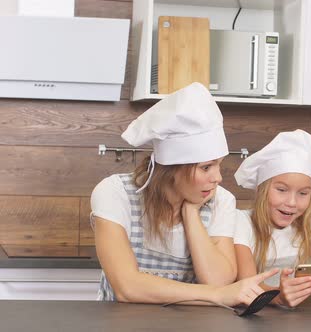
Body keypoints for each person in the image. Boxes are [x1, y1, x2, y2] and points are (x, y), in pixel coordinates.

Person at [90, 82, 277, 306]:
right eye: (206, 167)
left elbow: (218, 280)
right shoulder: (115, 193)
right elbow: (127, 287)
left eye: (219, 165)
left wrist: (190, 212)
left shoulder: (221, 200)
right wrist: (215, 295)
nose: (217, 178)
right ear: (172, 169)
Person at [233, 129, 311, 310]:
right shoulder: (241, 223)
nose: (291, 202)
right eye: (281, 190)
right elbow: (248, 283)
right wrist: (278, 296)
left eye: (303, 193)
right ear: (261, 189)